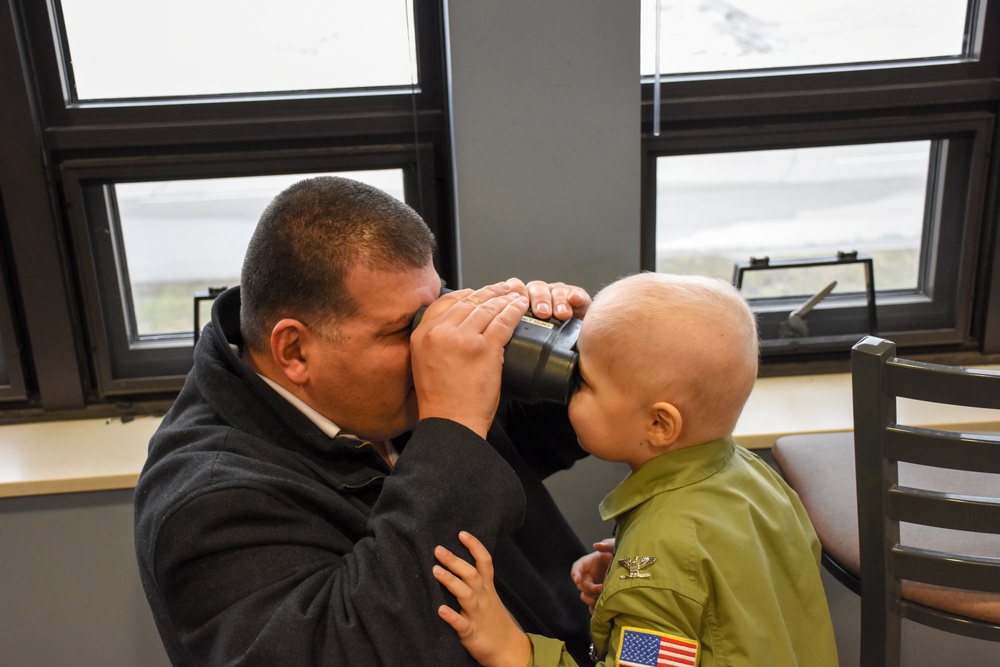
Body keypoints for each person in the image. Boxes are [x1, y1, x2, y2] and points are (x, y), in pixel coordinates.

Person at [133, 176, 595, 666]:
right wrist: (452, 429)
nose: (430, 341)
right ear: (294, 350)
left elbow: (546, 435)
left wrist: (592, 354)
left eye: (436, 306)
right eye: (404, 330)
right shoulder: (209, 505)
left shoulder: (387, 388)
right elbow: (354, 650)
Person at [432, 272, 840, 666]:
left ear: (659, 425)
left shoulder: (663, 555)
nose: (567, 388)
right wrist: (637, 577)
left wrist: (512, 649)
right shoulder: (756, 480)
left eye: (583, 381)